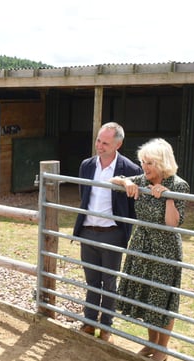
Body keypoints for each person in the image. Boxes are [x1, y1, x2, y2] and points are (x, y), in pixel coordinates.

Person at [111, 138, 189, 361]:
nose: (145, 167)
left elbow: (173, 224)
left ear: (163, 163)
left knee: (162, 298)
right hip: (142, 243)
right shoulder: (142, 179)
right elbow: (113, 178)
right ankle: (151, 343)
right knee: (147, 293)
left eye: (150, 163)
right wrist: (126, 182)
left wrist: (167, 199)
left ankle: (162, 349)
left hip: (164, 248)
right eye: (143, 162)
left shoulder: (178, 185)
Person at [72, 122, 142, 341]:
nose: (99, 146)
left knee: (109, 282)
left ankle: (106, 327)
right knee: (92, 280)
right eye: (98, 141)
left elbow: (134, 205)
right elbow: (84, 194)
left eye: (105, 143)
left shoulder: (130, 170)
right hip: (88, 230)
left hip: (112, 232)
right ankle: (89, 322)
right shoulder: (87, 165)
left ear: (118, 144)